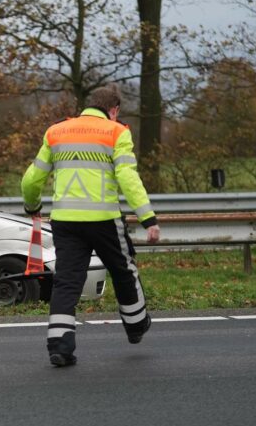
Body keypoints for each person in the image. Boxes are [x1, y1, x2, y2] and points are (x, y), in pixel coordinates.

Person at [21, 84, 161, 367]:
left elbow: (32, 179)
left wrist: (33, 207)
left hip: (65, 221)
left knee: (67, 282)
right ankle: (135, 326)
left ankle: (60, 346)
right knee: (123, 270)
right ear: (114, 109)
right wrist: (148, 217)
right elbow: (127, 178)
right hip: (104, 221)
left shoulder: (56, 131)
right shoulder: (117, 132)